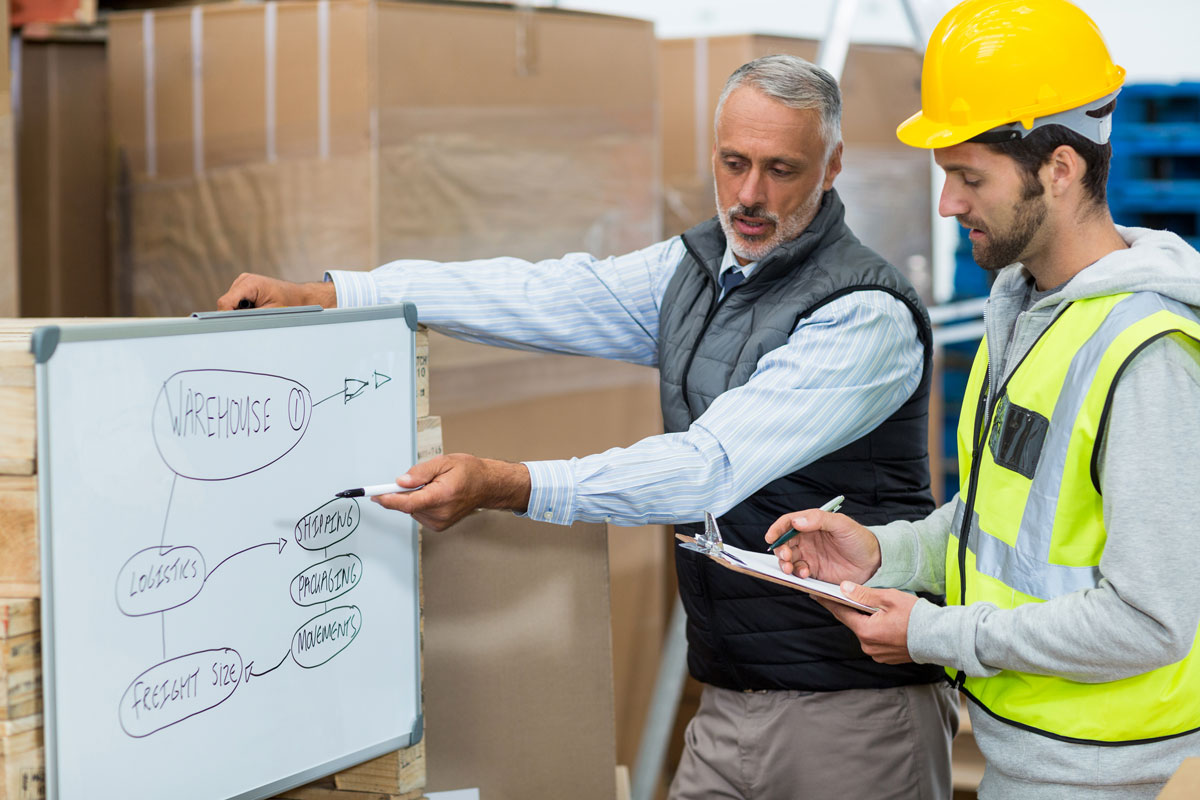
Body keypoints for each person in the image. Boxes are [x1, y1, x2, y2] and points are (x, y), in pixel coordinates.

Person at [220, 55, 958, 799]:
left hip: (855, 710)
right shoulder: (698, 271)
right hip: (731, 696)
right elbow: (546, 293)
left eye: (781, 169)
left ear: (832, 165)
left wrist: (512, 485)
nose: (749, 194)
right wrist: (341, 293)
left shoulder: (863, 314)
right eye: (733, 163)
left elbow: (706, 467)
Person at [768, 2, 1200, 798]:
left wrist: (934, 633)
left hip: (1109, 776)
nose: (947, 204)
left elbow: (1150, 619)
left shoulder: (1147, 357)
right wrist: (883, 551)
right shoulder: (1029, 310)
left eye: (969, 178)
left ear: (1061, 169)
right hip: (1030, 756)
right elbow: (1011, 533)